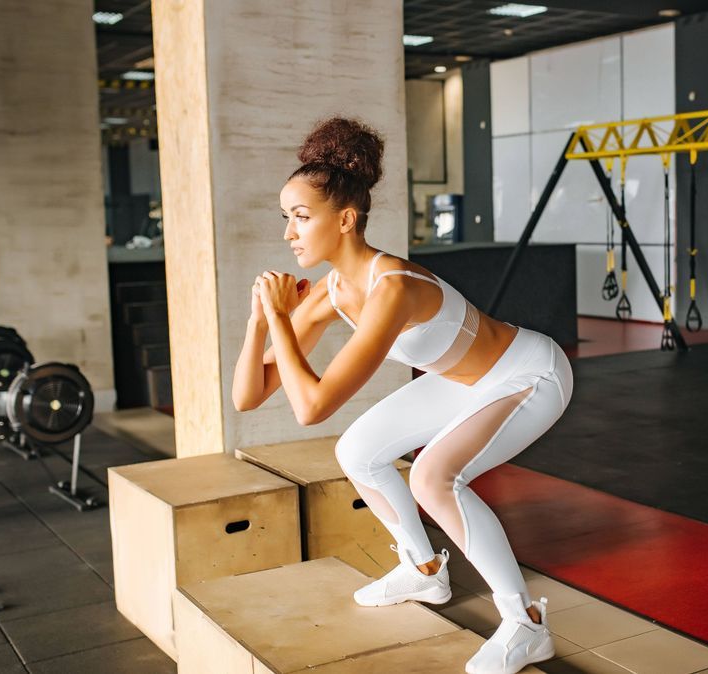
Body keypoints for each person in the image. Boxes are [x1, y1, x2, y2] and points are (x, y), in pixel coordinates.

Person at [232, 117, 573, 674]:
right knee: (357, 450)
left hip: (529, 372)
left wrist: (278, 315)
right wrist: (257, 323)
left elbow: (312, 405)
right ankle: (423, 572)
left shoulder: (392, 289)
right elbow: (249, 396)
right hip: (462, 380)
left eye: (300, 217)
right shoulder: (333, 291)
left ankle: (525, 625)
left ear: (344, 219)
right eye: (285, 219)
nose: (288, 233)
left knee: (431, 477)